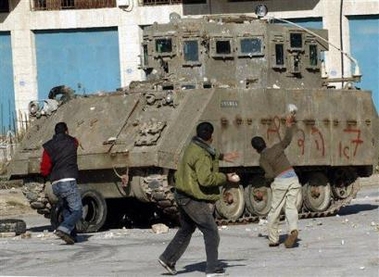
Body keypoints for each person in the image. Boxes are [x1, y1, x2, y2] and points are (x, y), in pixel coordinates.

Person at [158, 122, 239, 277]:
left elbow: (208, 152)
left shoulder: (192, 146)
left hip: (181, 194)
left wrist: (222, 156)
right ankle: (211, 269)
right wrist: (226, 177)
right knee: (211, 231)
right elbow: (206, 179)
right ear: (211, 136)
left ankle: (167, 258)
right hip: (192, 198)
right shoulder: (202, 154)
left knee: (186, 229)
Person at [251, 114, 301, 248]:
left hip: (280, 181)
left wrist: (265, 180)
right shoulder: (277, 148)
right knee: (291, 207)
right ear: (265, 143)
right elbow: (287, 139)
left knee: (275, 210)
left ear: (255, 149)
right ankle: (293, 230)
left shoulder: (262, 160)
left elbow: (270, 174)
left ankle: (273, 239)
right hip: (293, 177)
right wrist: (289, 125)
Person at [40, 122, 82, 245]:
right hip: (68, 180)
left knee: (67, 209)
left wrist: (46, 174)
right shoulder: (73, 141)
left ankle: (71, 235)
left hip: (55, 183)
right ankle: (63, 228)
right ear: (66, 131)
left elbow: (45, 167)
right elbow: (77, 143)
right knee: (77, 210)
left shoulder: (48, 146)